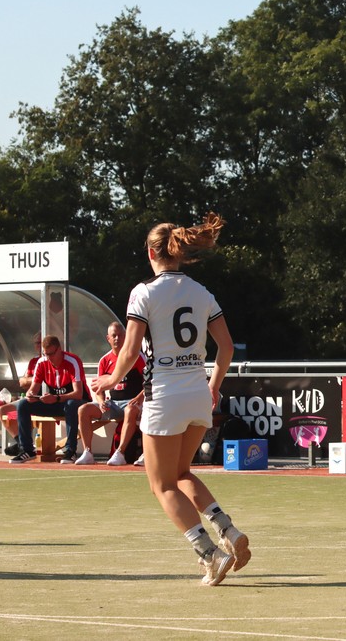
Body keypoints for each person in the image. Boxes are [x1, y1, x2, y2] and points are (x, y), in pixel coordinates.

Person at [91, 213, 250, 586]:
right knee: (182, 474)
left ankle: (210, 554)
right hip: (197, 393)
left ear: (151, 253)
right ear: (178, 252)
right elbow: (226, 347)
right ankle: (229, 530)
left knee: (161, 485)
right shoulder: (201, 292)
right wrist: (214, 385)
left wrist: (110, 380)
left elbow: (130, 349)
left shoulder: (144, 292)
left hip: (164, 395)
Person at [75, 321, 145, 466]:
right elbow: (98, 389)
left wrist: (138, 399)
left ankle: (120, 453)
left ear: (126, 336)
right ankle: (87, 453)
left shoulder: (137, 356)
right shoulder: (104, 360)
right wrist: (101, 402)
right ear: (108, 338)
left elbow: (150, 383)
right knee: (83, 409)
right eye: (114, 336)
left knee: (130, 410)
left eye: (120, 335)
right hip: (112, 404)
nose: (117, 338)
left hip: (133, 403)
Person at [9, 335, 87, 464]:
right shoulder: (42, 362)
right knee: (23, 404)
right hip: (55, 403)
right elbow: (33, 389)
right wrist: (30, 395)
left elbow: (79, 394)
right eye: (46, 354)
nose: (49, 358)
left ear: (59, 349)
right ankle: (27, 450)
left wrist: (56, 398)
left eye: (51, 354)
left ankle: (70, 451)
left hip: (77, 404)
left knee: (71, 404)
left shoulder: (72, 361)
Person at [0, 332, 41, 457]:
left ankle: (24, 445)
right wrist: (35, 380)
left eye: (41, 343)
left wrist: (31, 380)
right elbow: (22, 382)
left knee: (25, 409)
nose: (38, 346)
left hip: (44, 399)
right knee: (1, 411)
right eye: (36, 343)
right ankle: (21, 443)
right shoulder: (33, 361)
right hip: (29, 397)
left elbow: (44, 381)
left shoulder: (50, 360)